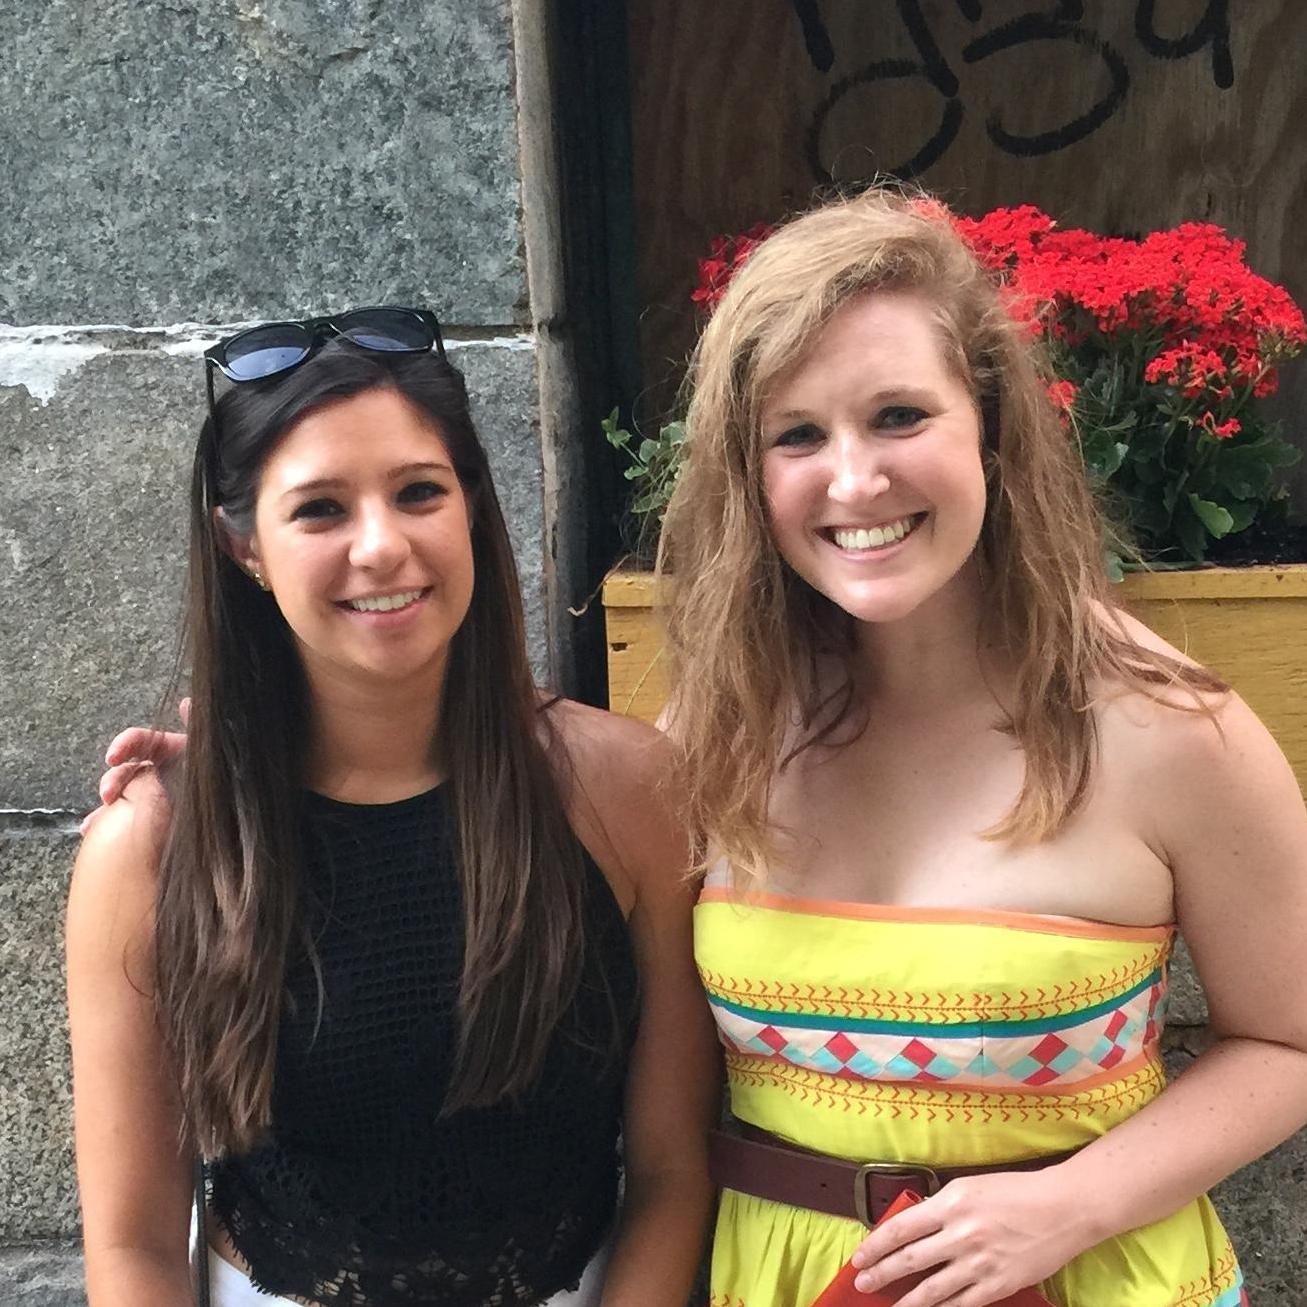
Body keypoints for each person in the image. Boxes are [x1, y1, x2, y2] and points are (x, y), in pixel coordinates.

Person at [657, 191, 1307, 1307]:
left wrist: (1069, 1204)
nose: (853, 480)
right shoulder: (719, 727)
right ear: (746, 475)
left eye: (898, 415)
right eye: (796, 434)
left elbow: (1287, 1043)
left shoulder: (1169, 727)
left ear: (991, 431)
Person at [68, 309, 717, 1307]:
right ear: (242, 546)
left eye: (418, 491)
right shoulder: (151, 848)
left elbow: (674, 1169)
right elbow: (133, 1241)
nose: (380, 546)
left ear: (471, 509)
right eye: (320, 509)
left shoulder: (625, 792)